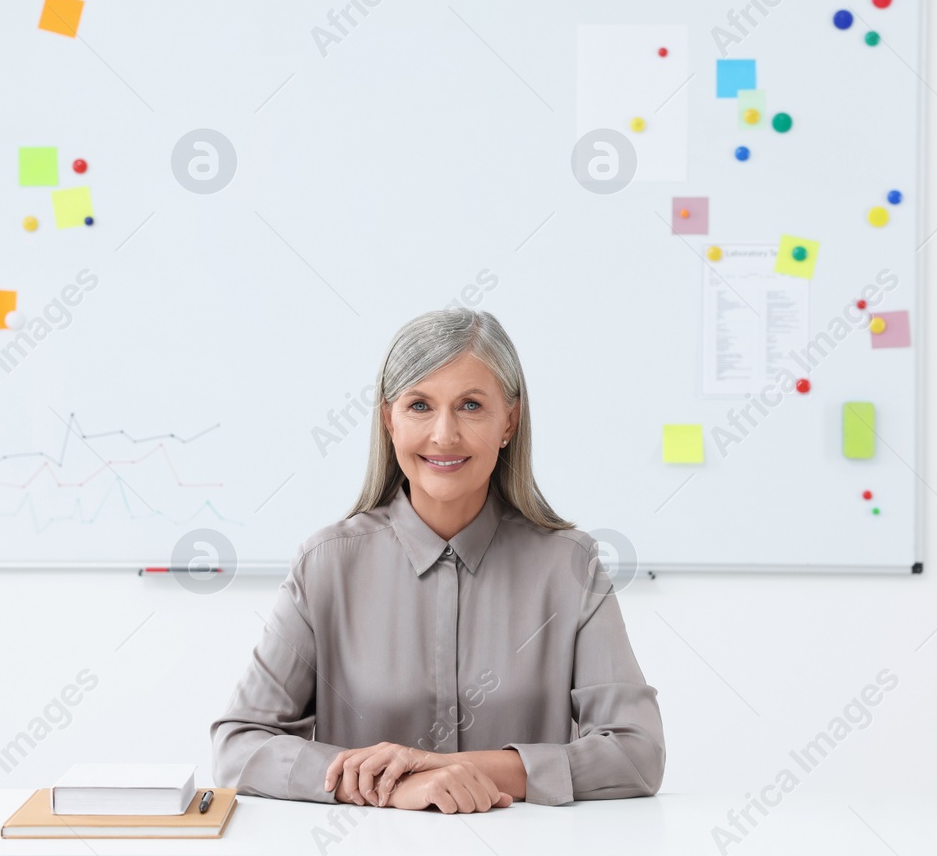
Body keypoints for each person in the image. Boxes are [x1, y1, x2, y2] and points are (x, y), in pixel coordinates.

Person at [211, 309, 664, 812]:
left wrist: (453, 768)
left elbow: (636, 752)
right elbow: (239, 747)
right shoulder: (326, 566)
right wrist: (394, 785)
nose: (444, 435)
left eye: (470, 405)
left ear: (508, 421)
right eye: (420, 405)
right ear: (389, 420)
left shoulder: (570, 567)